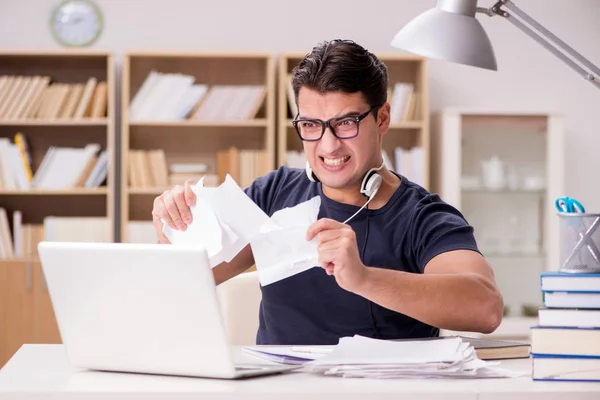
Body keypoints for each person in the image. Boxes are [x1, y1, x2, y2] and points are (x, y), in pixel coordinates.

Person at [151, 39, 504, 346]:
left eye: (346, 123)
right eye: (310, 126)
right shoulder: (275, 193)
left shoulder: (421, 216)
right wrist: (171, 226)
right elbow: (187, 278)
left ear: (382, 119)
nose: (328, 145)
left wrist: (363, 278)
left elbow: (485, 308)